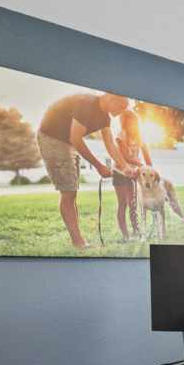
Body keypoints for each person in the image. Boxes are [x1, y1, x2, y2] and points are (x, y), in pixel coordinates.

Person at [36, 92, 137, 248]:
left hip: (67, 142)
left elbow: (109, 144)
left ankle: (79, 241)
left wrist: (125, 167)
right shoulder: (86, 103)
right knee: (68, 191)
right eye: (122, 107)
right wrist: (98, 166)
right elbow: (76, 137)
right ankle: (78, 242)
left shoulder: (105, 117)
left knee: (72, 191)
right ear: (111, 98)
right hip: (52, 139)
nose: (123, 111)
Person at [113, 109, 152, 241]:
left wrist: (152, 173)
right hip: (120, 172)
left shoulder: (141, 137)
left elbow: (147, 158)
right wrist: (139, 164)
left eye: (134, 124)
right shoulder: (120, 135)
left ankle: (136, 230)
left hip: (133, 174)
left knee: (133, 203)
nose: (132, 127)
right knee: (123, 204)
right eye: (128, 125)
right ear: (123, 125)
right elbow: (123, 156)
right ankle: (125, 234)